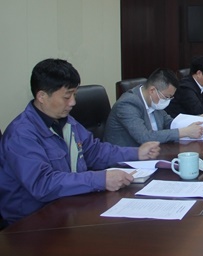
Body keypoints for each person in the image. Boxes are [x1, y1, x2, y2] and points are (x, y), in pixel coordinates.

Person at [0, 59, 161, 225]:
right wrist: (100, 179)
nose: (73, 102)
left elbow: (95, 151)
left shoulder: (67, 122)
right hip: (31, 222)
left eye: (74, 95)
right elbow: (43, 184)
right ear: (42, 96)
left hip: (69, 206)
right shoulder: (21, 135)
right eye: (67, 96)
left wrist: (136, 153)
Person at [104, 69, 203, 146]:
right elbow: (144, 137)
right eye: (167, 97)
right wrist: (184, 132)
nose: (168, 101)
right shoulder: (128, 104)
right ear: (152, 90)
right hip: (126, 161)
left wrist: (196, 120)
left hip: (153, 154)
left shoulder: (153, 101)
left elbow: (169, 123)